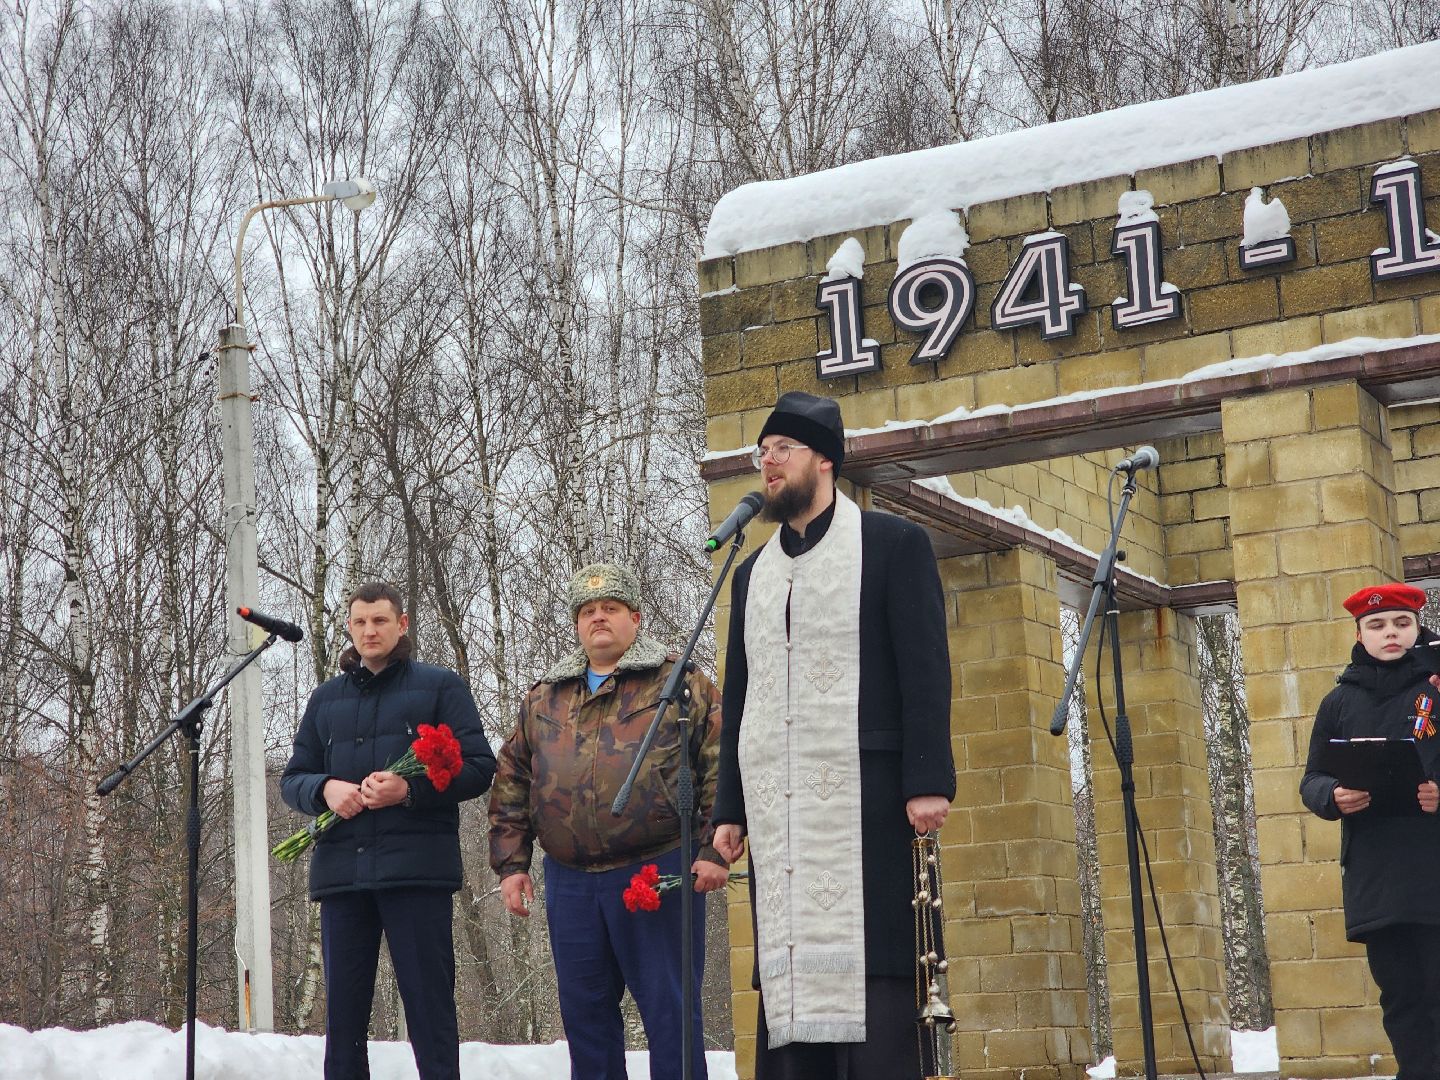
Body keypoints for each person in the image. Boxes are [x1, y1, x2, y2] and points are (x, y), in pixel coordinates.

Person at [711, 390, 957, 1079]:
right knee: (788, 986)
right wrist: (729, 807)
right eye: (762, 454)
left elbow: (925, 669)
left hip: (871, 803)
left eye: (781, 450)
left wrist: (927, 777)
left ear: (823, 459)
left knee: (876, 977)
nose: (768, 464)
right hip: (782, 815)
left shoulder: (891, 545)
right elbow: (742, 691)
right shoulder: (754, 572)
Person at [488, 563, 727, 1080]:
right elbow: (512, 777)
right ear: (577, 625)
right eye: (588, 611)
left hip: (656, 870)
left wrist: (714, 851)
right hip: (570, 882)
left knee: (670, 1015)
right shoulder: (545, 695)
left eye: (611, 609)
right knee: (585, 1020)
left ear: (635, 618)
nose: (599, 618)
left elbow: (720, 765)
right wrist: (511, 864)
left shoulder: (679, 682)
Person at [281, 581, 496, 1080]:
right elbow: (292, 780)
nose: (369, 631)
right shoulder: (326, 698)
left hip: (417, 874)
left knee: (430, 1011)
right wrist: (326, 789)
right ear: (349, 628)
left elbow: (479, 767)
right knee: (345, 1019)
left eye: (380, 620)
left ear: (402, 625)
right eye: (359, 622)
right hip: (341, 874)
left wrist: (410, 791)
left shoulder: (441, 686)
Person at [1301, 582, 1440, 1080]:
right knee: (1400, 995)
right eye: (1378, 625)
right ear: (1359, 632)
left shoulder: (1438, 686)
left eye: (1402, 623)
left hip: (1433, 866)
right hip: (1376, 876)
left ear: (1417, 627)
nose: (1391, 634)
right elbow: (1312, 777)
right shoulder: (1338, 702)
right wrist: (1332, 796)